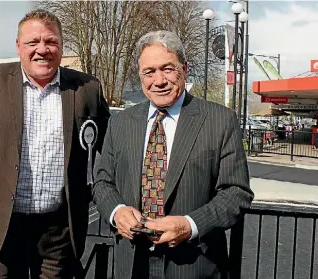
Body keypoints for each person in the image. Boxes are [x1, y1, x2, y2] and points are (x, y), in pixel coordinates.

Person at [0, 9, 110, 279]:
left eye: (50, 42)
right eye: (33, 42)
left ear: (61, 46)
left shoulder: (87, 88)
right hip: (1, 222)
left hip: (60, 227)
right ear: (18, 46)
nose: (42, 50)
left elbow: (112, 148)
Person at [93, 30, 254, 278]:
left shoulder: (220, 121)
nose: (158, 80)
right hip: (132, 263)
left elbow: (236, 193)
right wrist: (117, 212)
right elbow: (103, 182)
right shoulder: (121, 123)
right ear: (140, 75)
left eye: (168, 69)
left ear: (185, 69)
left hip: (192, 263)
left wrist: (190, 225)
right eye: (149, 72)